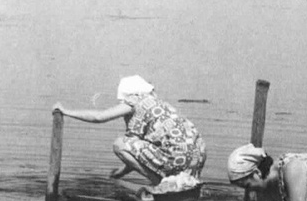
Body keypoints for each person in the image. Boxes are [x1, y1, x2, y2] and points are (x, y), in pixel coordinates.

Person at [53, 75, 206, 185]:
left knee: (119, 144)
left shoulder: (134, 100)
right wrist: (119, 173)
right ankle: (183, 182)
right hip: (197, 155)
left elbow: (99, 117)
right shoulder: (158, 103)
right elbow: (140, 155)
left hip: (176, 155)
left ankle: (160, 183)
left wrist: (66, 111)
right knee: (131, 145)